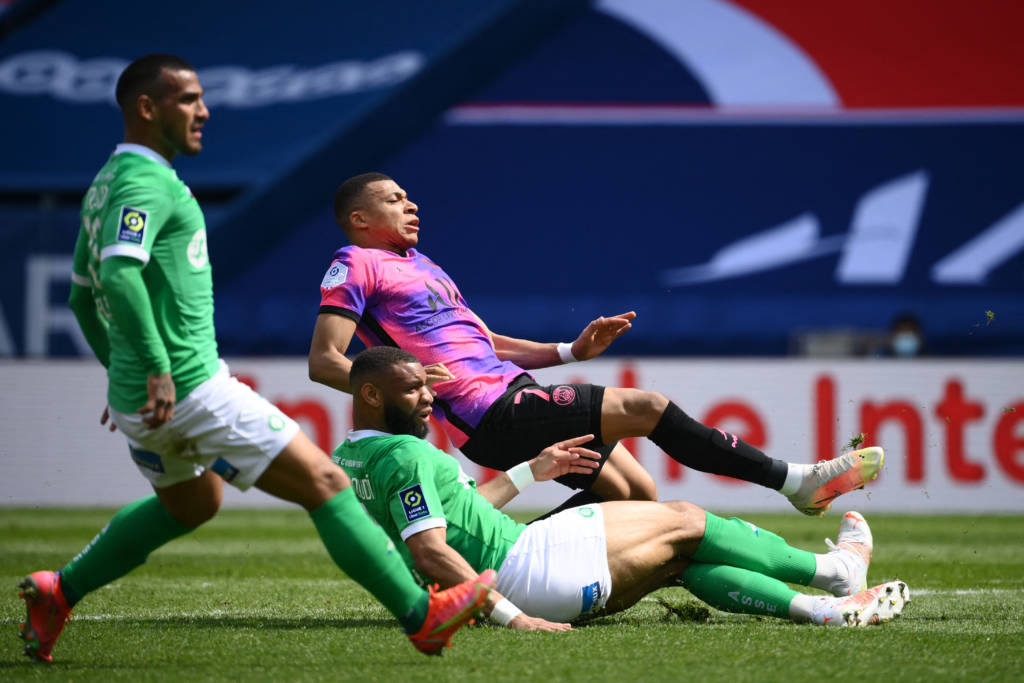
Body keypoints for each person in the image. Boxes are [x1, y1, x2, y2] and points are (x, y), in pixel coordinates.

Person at [17, 55, 495, 664]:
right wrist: (156, 368)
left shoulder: (105, 186)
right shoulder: (144, 184)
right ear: (146, 107)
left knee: (193, 503)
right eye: (188, 99)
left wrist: (123, 371)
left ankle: (60, 591)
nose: (203, 111)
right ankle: (422, 616)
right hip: (189, 385)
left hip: (146, 395)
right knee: (326, 483)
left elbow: (81, 299)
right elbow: (117, 277)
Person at [308, 172, 883, 518]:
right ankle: (797, 482)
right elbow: (324, 360)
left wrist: (569, 351)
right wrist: (403, 380)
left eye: (409, 197)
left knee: (634, 493)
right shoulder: (354, 263)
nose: (411, 205)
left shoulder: (423, 264)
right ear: (359, 218)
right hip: (485, 413)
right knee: (646, 407)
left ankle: (496, 565)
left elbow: (487, 342)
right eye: (394, 199)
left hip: (512, 392)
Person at [330, 347, 911, 630]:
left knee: (677, 561)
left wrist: (534, 470)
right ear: (372, 395)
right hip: (521, 570)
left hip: (516, 578)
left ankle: (823, 609)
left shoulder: (350, 457)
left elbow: (455, 519)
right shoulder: (405, 454)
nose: (429, 397)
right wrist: (514, 619)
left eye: (426, 385)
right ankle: (833, 571)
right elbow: (430, 550)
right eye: (413, 389)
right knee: (683, 518)